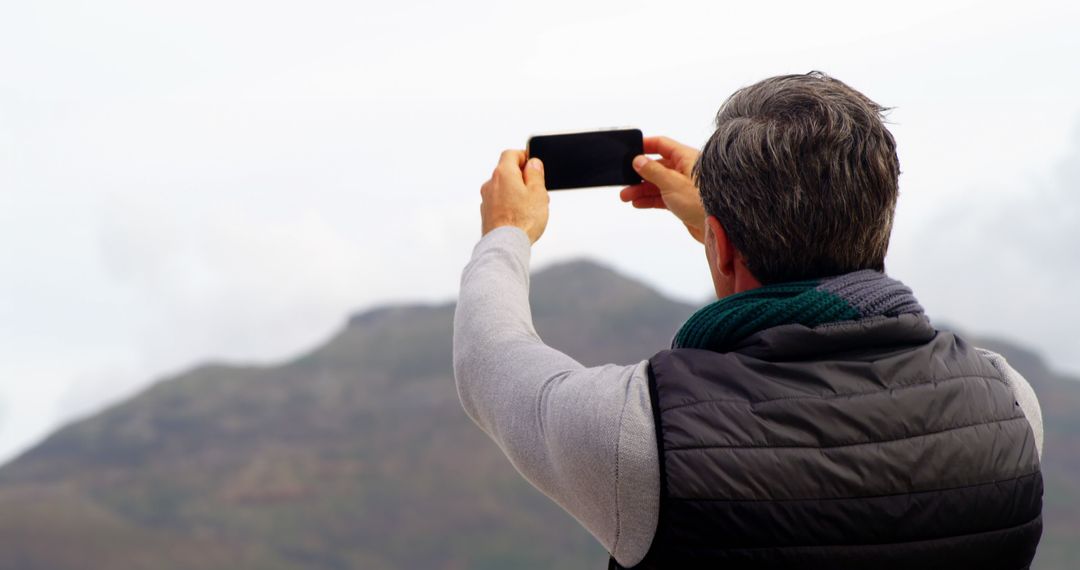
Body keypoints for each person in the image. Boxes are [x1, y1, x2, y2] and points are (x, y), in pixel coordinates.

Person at [452, 72, 1044, 569]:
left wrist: (507, 231)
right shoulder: (1010, 405)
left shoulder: (643, 438)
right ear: (880, 214)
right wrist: (719, 231)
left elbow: (490, 360)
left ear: (724, 247)